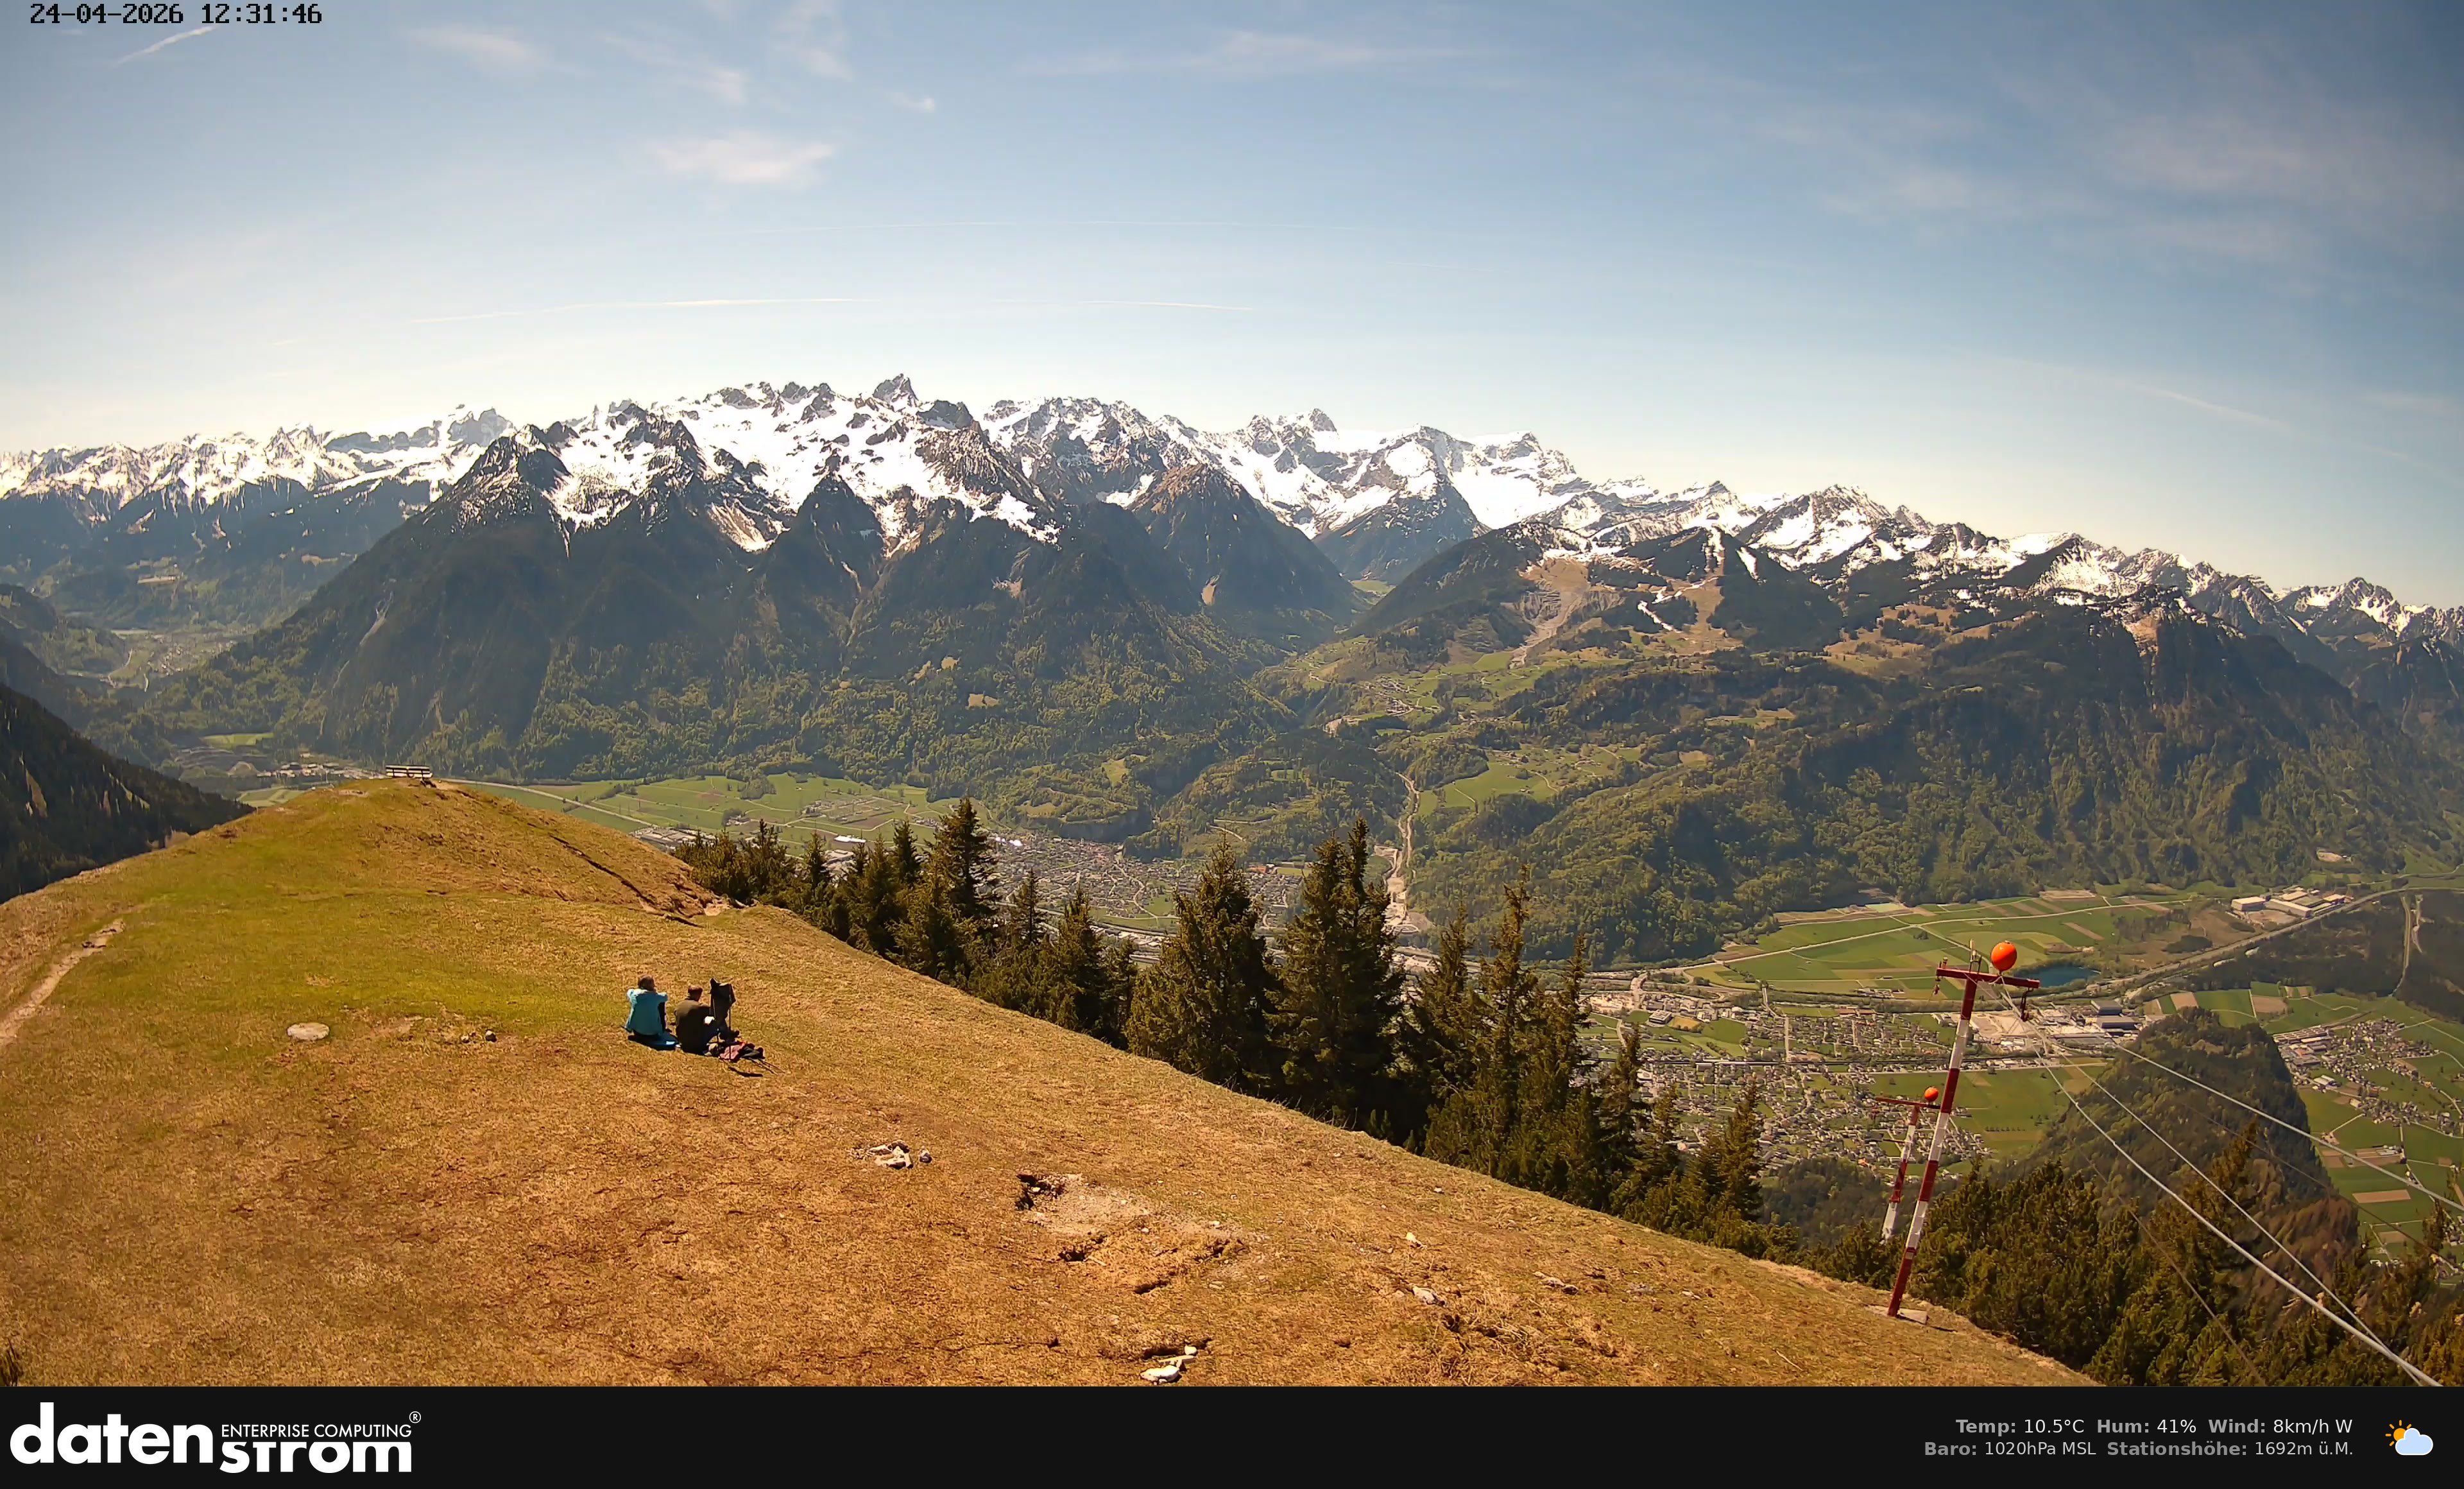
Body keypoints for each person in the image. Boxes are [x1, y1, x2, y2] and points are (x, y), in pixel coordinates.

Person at [623, 976, 677, 1049]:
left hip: (638, 1031)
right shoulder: (656, 997)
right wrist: (655, 992)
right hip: (654, 1034)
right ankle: (662, 1027)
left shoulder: (634, 995)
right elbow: (665, 996)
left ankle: (639, 1037)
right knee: (661, 1004)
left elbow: (629, 991)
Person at [674, 986, 718, 1056]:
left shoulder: (679, 1005)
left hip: (682, 1040)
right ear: (698, 995)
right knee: (715, 1023)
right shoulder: (699, 1007)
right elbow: (715, 1013)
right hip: (695, 1043)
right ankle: (727, 1036)